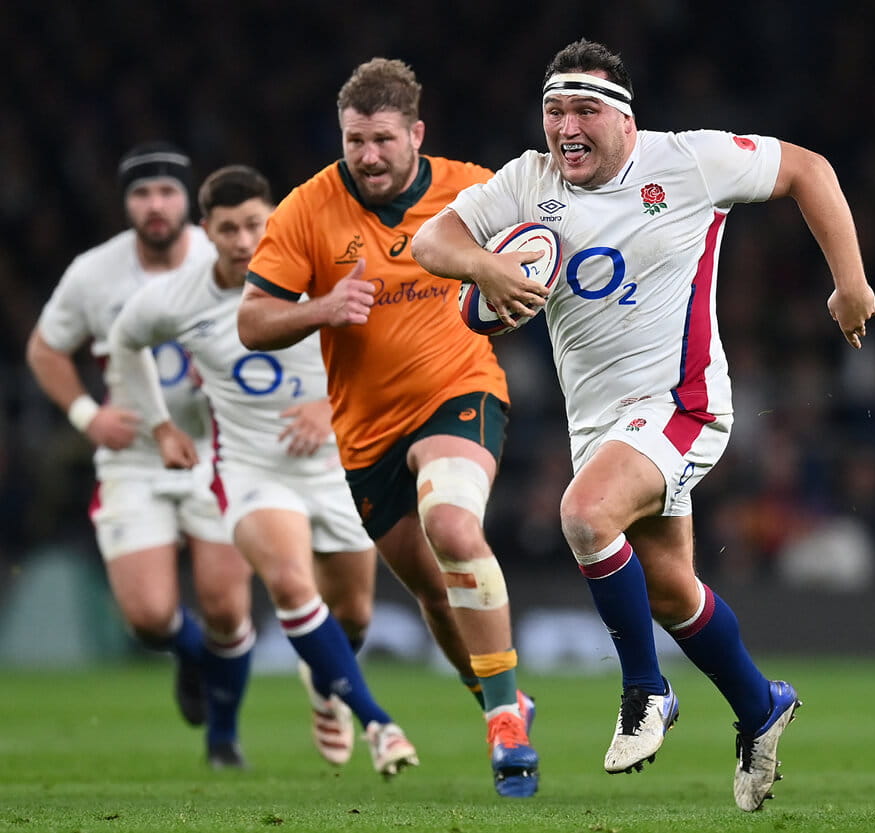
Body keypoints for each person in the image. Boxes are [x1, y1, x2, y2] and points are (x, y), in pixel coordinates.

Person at [411, 39, 875, 812]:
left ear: (625, 119)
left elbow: (809, 169)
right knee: (668, 589)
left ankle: (645, 689)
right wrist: (487, 267)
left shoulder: (690, 162)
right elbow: (432, 241)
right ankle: (761, 704)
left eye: (584, 110)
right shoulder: (528, 180)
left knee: (583, 515)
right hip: (599, 425)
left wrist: (850, 282)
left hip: (683, 404)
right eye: (554, 110)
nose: (566, 127)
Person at [235, 58, 538, 798]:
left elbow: (544, 244)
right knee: (434, 591)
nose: (367, 156)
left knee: (453, 525)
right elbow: (251, 321)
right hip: (366, 432)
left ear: (416, 134)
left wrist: (509, 281)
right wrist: (321, 308)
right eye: (355, 140)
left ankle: (505, 723)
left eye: (382, 140)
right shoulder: (308, 209)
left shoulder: (471, 190)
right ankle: (500, 699)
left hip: (458, 390)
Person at [107, 164, 422, 778]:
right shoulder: (178, 295)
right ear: (206, 230)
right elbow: (124, 341)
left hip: (337, 465)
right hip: (252, 469)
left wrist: (326, 407)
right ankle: (378, 722)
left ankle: (325, 685)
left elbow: (393, 351)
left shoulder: (319, 271)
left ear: (275, 220)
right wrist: (161, 425)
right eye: (228, 229)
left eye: (255, 224)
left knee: (353, 615)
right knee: (290, 585)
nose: (243, 240)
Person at [25, 142, 255, 768]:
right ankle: (191, 657)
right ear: (125, 203)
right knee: (150, 618)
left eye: (167, 192)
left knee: (227, 608)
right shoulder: (94, 273)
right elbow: (45, 348)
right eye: (142, 193)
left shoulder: (229, 255)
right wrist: (87, 415)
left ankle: (223, 739)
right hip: (134, 457)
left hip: (220, 451)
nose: (155, 205)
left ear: (190, 202)